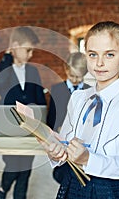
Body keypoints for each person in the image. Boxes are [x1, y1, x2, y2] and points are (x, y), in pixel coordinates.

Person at [38, 21, 119, 198]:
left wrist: (89, 159)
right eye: (92, 54)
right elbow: (66, 143)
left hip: (111, 190)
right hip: (73, 185)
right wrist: (56, 152)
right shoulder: (78, 98)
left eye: (110, 55)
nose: (99, 63)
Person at [0, 26, 46, 199]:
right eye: (28, 50)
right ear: (14, 46)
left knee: (26, 168)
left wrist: (42, 125)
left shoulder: (33, 71)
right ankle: (3, 190)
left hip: (29, 129)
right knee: (13, 165)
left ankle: (20, 196)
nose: (31, 54)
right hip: (7, 129)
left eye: (32, 51)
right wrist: (8, 57)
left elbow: (40, 100)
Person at [46, 52, 90, 184]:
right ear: (66, 70)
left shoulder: (90, 91)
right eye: (72, 76)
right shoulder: (57, 89)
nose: (75, 80)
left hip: (81, 143)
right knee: (63, 175)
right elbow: (51, 116)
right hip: (61, 141)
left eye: (79, 77)